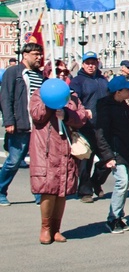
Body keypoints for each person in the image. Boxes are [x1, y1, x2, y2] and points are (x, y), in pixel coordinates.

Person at [29, 84, 88, 244]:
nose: (62, 74)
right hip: (46, 149)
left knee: (62, 189)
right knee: (48, 189)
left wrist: (67, 114)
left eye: (64, 72)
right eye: (58, 71)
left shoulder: (73, 96)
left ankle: (56, 228)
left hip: (66, 148)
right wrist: (50, 104)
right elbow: (36, 115)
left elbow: (82, 117)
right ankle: (45, 227)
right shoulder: (40, 93)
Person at [0, 43, 45, 206]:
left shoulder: (40, 75)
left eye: (40, 54)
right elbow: (5, 97)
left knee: (39, 162)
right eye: (35, 54)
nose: (39, 57)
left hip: (39, 126)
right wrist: (9, 121)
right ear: (25, 55)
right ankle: (0, 190)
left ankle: (40, 194)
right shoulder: (13, 72)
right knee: (14, 161)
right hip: (20, 124)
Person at [95, 74, 129, 233]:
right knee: (122, 182)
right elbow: (100, 134)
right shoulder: (105, 108)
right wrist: (107, 156)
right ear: (118, 91)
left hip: (126, 152)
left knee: (125, 184)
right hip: (114, 152)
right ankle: (113, 218)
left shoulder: (125, 107)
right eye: (128, 90)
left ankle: (119, 215)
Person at [68, 51, 111, 203]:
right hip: (86, 126)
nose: (91, 66)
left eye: (93, 63)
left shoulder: (103, 79)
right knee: (86, 159)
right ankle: (85, 191)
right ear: (83, 64)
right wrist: (83, 110)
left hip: (104, 125)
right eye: (88, 63)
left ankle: (96, 182)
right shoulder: (78, 81)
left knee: (109, 159)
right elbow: (73, 100)